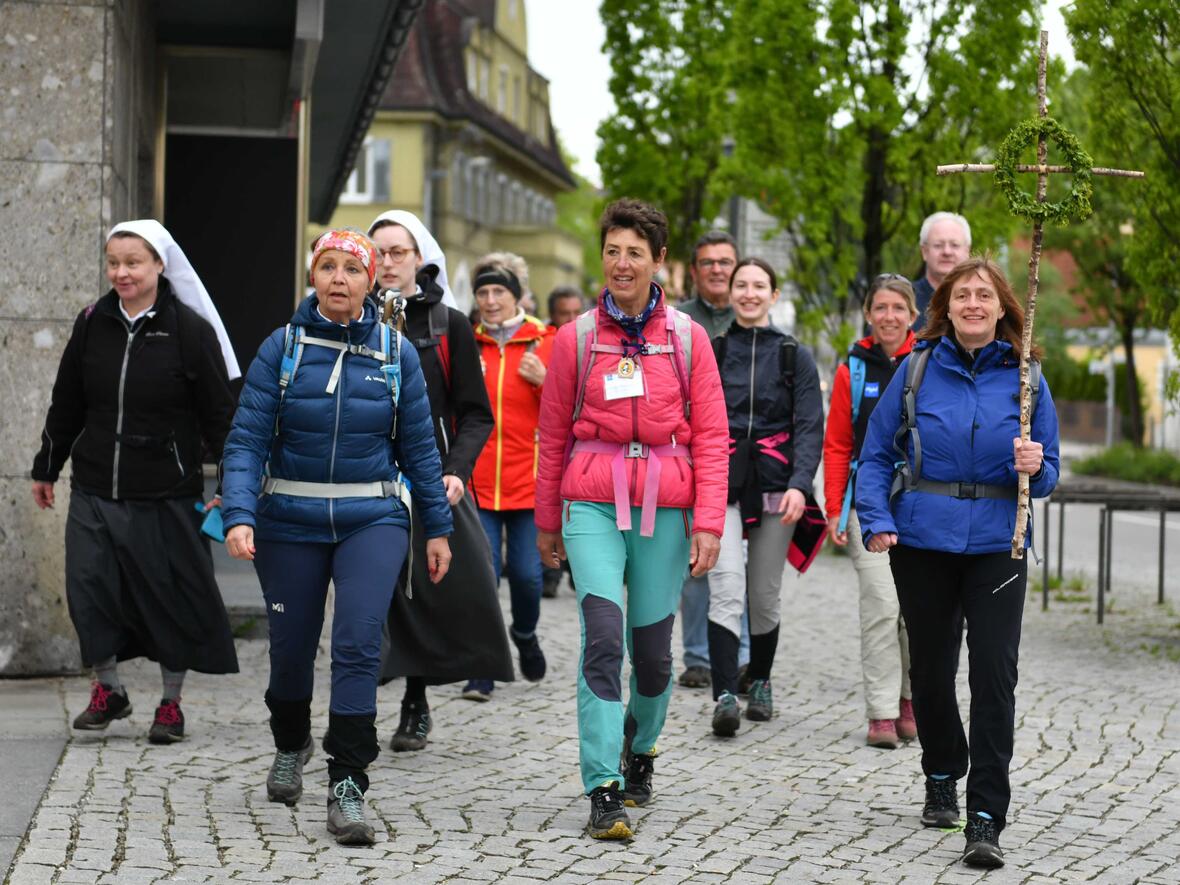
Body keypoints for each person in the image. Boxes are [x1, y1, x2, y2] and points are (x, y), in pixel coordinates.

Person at [221, 229, 453, 846]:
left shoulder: (395, 353)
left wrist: (438, 527)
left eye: (352, 268)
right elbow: (245, 441)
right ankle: (290, 742)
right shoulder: (283, 347)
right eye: (328, 266)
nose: (339, 278)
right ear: (313, 276)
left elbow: (421, 451)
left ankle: (348, 781)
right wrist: (239, 514)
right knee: (291, 647)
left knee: (357, 642)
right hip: (289, 518)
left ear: (370, 281)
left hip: (371, 517)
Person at [855, 256, 1060, 870]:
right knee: (932, 669)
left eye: (984, 295)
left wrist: (1034, 467)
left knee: (995, 675)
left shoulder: (1027, 378)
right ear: (945, 306)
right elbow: (875, 453)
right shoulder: (917, 367)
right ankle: (942, 769)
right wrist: (877, 518)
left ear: (1002, 308)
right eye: (962, 295)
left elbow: (1049, 470)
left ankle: (986, 816)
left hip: (1000, 542)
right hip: (922, 540)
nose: (973, 304)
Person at [535, 198, 728, 839]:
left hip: (665, 508)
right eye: (612, 251)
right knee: (602, 639)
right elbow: (552, 433)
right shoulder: (577, 339)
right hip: (592, 500)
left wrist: (708, 522)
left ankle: (640, 748)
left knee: (652, 656)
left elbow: (712, 436)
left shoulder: (688, 339)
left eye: (635, 253)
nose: (622, 263)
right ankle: (603, 788)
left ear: (659, 261)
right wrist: (546, 520)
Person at [31, 220, 240, 743]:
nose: (121, 273)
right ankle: (109, 690)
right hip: (95, 485)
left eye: (133, 263)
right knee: (89, 588)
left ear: (159, 266)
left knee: (171, 597)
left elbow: (220, 418)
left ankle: (170, 704)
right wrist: (47, 467)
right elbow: (67, 401)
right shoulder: (91, 323)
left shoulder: (190, 331)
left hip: (166, 491)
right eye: (113, 263)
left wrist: (231, 486)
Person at [367, 210, 512, 752]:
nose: (386, 262)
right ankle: (356, 709)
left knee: (431, 591)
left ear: (420, 258)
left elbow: (476, 413)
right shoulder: (350, 316)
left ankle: (416, 700)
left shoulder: (449, 324)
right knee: (371, 593)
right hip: (362, 477)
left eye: (397, 252)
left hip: (429, 478)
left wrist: (456, 470)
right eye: (378, 252)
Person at [706, 258, 823, 736]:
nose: (749, 293)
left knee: (763, 593)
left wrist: (800, 484)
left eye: (759, 286)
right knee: (725, 586)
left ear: (774, 295)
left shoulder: (795, 355)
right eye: (742, 285)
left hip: (778, 487)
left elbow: (809, 426)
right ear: (730, 292)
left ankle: (760, 680)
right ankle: (723, 695)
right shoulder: (712, 350)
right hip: (723, 485)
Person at [822, 274, 919, 749]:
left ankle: (910, 700)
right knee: (882, 604)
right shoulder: (853, 370)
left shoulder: (930, 360)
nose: (889, 316)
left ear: (913, 315)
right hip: (870, 500)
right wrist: (834, 506)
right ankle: (882, 711)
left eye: (898, 308)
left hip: (922, 501)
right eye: (881, 307)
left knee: (917, 609)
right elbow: (838, 442)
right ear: (868, 314)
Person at [465, 255, 555, 701]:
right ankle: (482, 665)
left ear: (516, 295)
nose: (490, 300)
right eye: (482, 292)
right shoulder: (467, 342)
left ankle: (524, 634)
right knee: (482, 577)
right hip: (478, 482)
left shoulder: (547, 341)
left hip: (529, 482)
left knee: (526, 575)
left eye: (499, 291)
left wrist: (545, 381)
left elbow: (572, 407)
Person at [674, 230, 749, 690]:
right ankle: (698, 656)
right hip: (690, 449)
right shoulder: (678, 321)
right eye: (709, 262)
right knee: (695, 559)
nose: (718, 269)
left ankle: (740, 655)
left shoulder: (750, 315)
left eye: (726, 262)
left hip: (746, 454)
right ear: (695, 270)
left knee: (740, 561)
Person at [912, 212, 971, 331]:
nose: (947, 252)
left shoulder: (982, 304)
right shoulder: (903, 300)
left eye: (954, 245)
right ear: (924, 251)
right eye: (938, 245)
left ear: (967, 251)